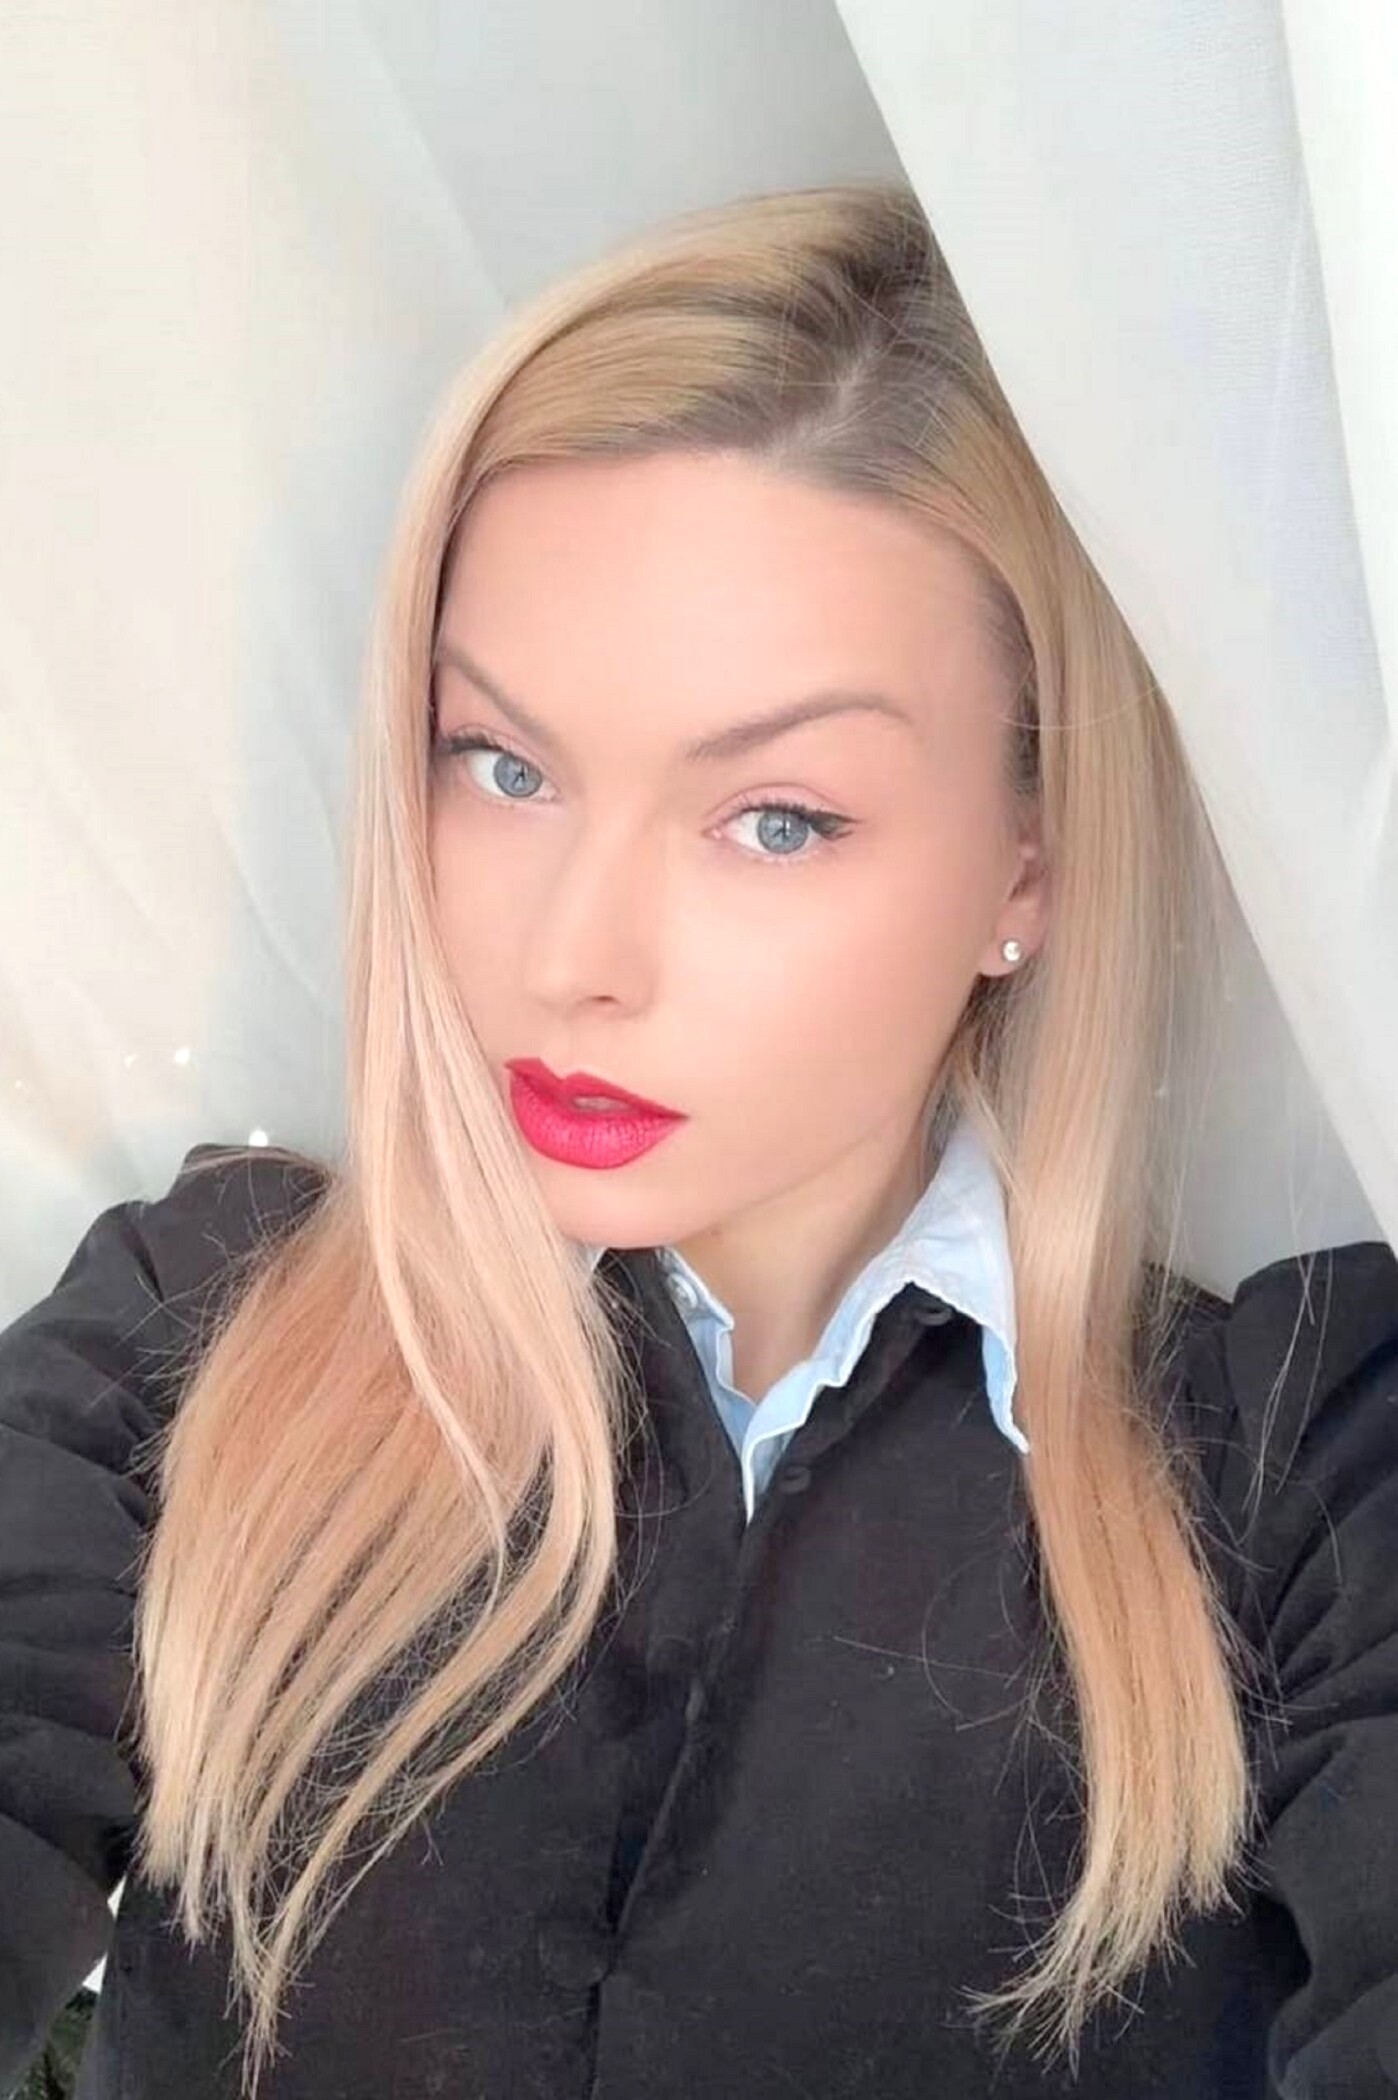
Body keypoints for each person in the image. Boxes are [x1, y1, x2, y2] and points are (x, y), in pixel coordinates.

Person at [1, 180, 1396, 2100]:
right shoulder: (193, 1336)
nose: (572, 958)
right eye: (504, 766)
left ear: (1028, 865)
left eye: (776, 820)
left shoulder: (1294, 1460)